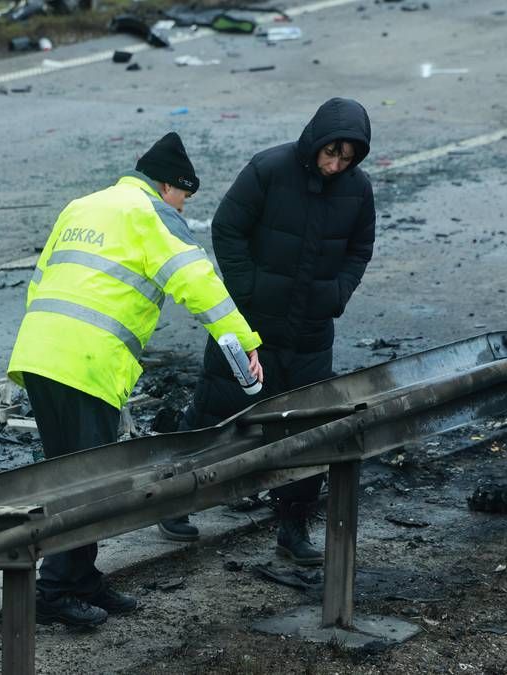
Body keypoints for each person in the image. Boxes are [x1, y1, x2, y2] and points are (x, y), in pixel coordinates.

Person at [6, 132, 264, 627]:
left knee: (71, 474)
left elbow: (41, 278)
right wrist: (243, 339)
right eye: (185, 197)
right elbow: (197, 282)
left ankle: (81, 579)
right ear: (168, 185)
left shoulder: (82, 205)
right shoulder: (152, 213)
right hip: (86, 364)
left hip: (40, 355)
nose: (184, 207)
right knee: (89, 486)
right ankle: (54, 590)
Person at [157, 98, 375, 567]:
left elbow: (361, 248)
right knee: (216, 410)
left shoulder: (358, 189)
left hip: (312, 332)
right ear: (315, 141)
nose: (336, 165)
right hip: (251, 324)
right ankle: (172, 502)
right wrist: (248, 288)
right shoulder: (270, 169)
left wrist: (338, 292)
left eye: (346, 158)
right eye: (330, 154)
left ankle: (292, 528)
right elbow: (228, 227)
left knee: (307, 430)